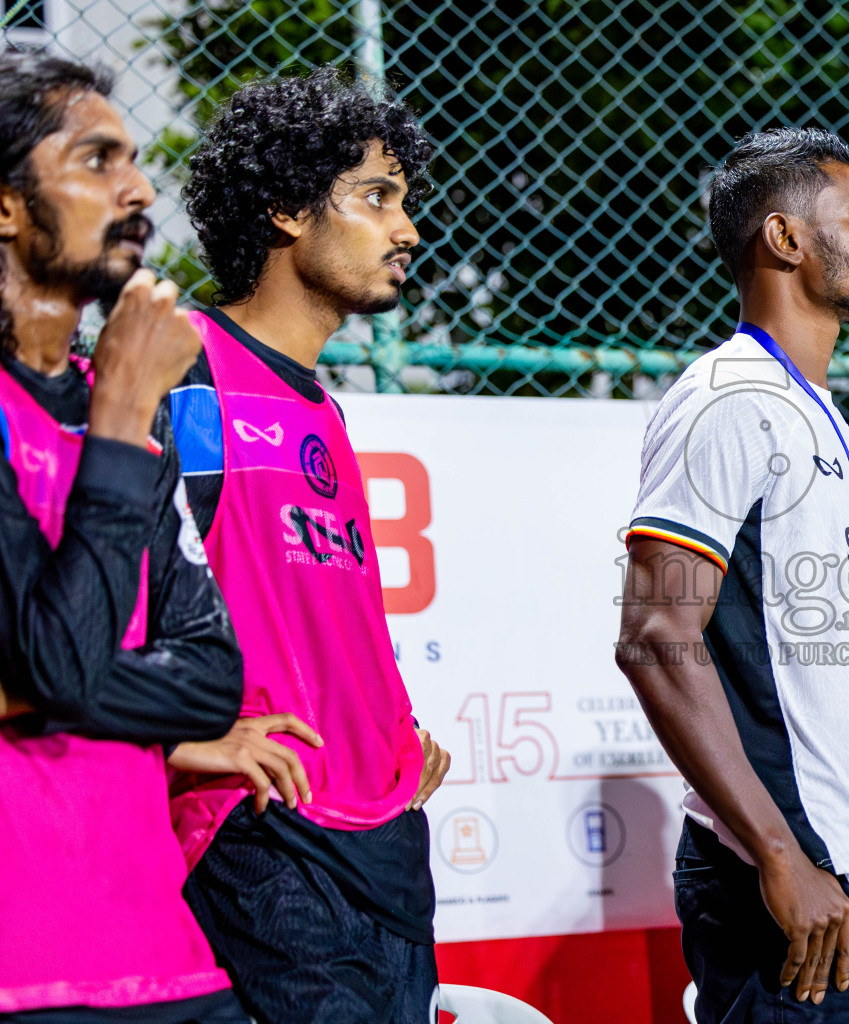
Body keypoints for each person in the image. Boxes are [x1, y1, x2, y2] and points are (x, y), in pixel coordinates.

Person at [615, 127, 849, 1023]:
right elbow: (656, 636)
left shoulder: (819, 413)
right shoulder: (728, 401)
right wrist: (778, 857)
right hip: (803, 883)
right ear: (785, 238)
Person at [165, 68, 450, 1024]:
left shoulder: (322, 406)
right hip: (265, 834)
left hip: (385, 839)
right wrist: (182, 743)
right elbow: (93, 589)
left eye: (404, 201)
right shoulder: (183, 372)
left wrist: (395, 734)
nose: (406, 228)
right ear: (287, 208)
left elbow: (329, 613)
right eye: (377, 197)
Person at [0, 51, 255, 1024]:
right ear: (8, 206)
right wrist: (115, 419)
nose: (140, 188)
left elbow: (210, 676)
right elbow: (65, 659)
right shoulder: (123, 413)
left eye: (136, 160)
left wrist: (32, 683)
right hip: (24, 973)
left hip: (172, 960)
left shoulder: (132, 416)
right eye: (97, 159)